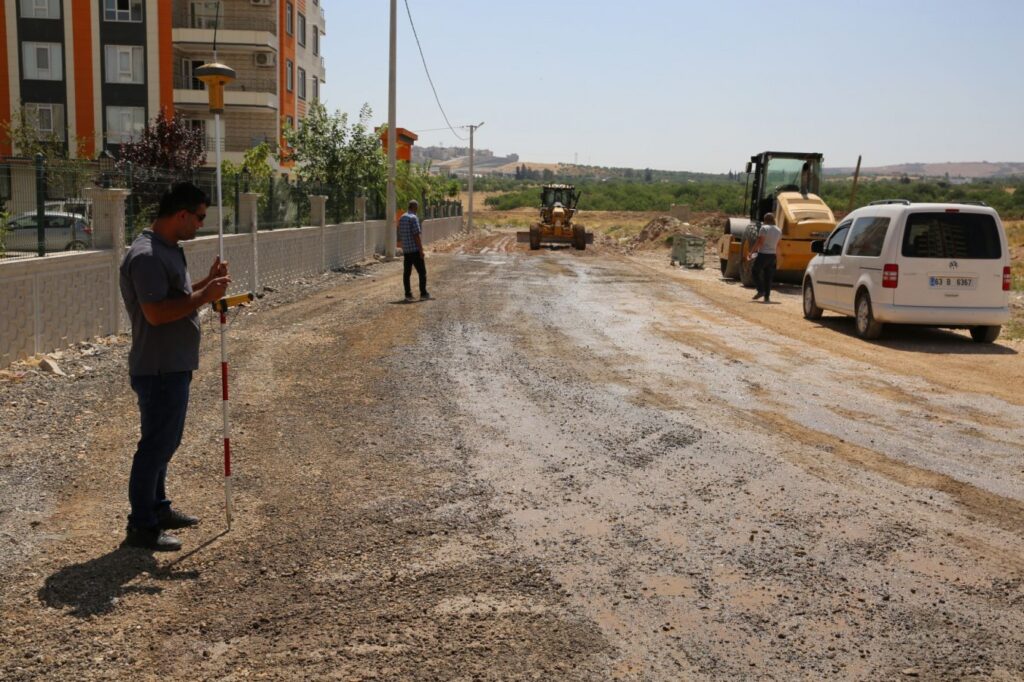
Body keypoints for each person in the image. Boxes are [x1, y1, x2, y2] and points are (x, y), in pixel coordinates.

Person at [118, 183, 230, 551]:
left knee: (165, 443)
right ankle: (142, 527)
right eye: (198, 217)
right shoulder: (147, 255)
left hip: (172, 366)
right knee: (155, 447)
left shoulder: (168, 249)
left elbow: (177, 298)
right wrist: (206, 296)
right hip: (159, 369)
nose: (200, 224)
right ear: (181, 214)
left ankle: (159, 508)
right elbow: (156, 313)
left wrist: (206, 284)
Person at [397, 199, 430, 301]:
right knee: (422, 272)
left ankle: (408, 294)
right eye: (417, 208)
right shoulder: (413, 218)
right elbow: (416, 235)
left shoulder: (402, 218)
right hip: (414, 250)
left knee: (407, 273)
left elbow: (400, 234)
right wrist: (421, 250)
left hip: (406, 251)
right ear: (415, 207)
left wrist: (403, 246)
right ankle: (423, 293)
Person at [749, 212, 781, 303]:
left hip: (763, 254)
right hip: (772, 255)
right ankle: (767, 297)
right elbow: (778, 245)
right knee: (768, 277)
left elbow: (760, 242)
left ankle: (760, 290)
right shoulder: (778, 230)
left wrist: (751, 252)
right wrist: (778, 257)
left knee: (755, 271)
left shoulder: (764, 228)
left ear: (765, 220)